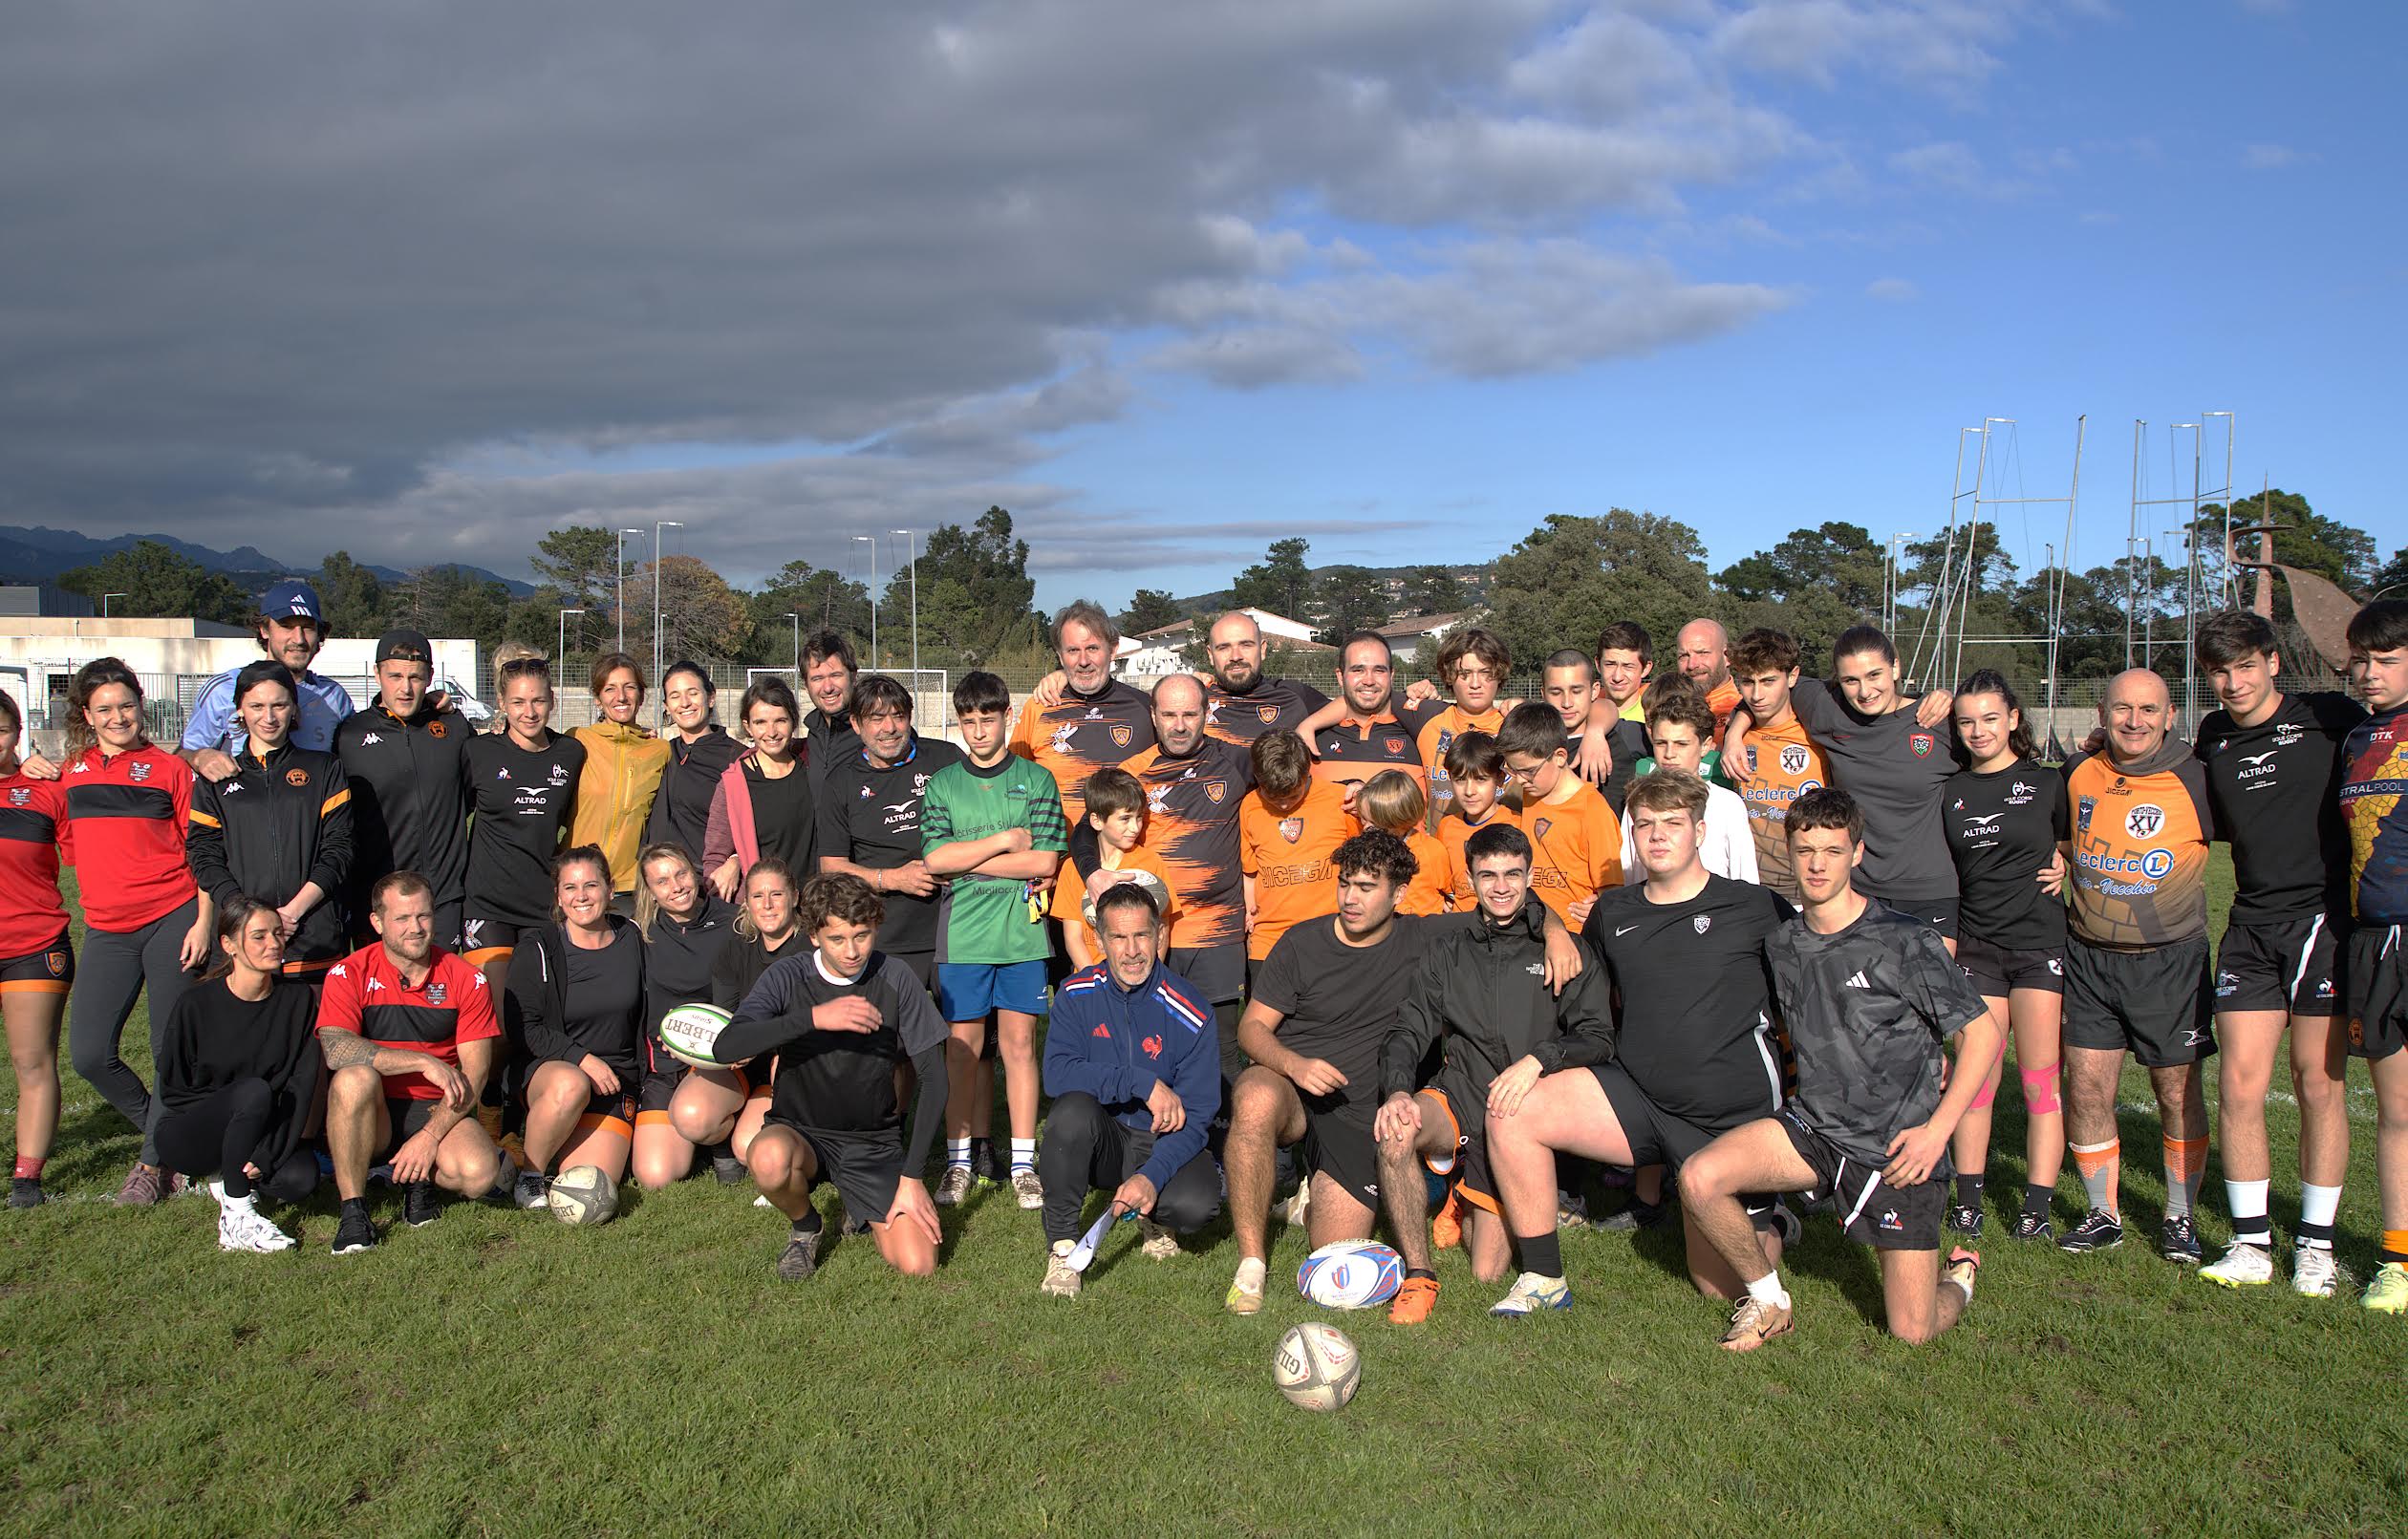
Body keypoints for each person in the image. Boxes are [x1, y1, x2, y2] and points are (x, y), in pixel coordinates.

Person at [1679, 787, 1996, 1350]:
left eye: (1832, 849)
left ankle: (1962, 1276)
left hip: (1898, 1150)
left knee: (1911, 1330)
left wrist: (1935, 1134)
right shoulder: (1781, 943)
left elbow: (1984, 1035)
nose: (1818, 863)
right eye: (1805, 850)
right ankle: (1770, 1302)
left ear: (1858, 853)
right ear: (1790, 851)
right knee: (1700, 1178)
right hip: (1814, 1129)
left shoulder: (1905, 940)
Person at [1222, 829, 1577, 1316]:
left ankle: (1340, 1191)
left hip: (1362, 1113)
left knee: (1337, 1256)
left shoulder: (1423, 936)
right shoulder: (1301, 943)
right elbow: (1252, 1029)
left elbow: (1511, 902)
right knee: (1254, 1095)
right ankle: (1251, 1264)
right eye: (1345, 883)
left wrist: (1555, 931)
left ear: (1399, 894)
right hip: (1296, 1092)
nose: (1350, 897)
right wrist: (1294, 1065)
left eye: (1367, 887)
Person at [1480, 772, 1797, 1313]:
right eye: (1644, 824)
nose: (1657, 835)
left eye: (1672, 823)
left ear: (1699, 831)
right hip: (1640, 1099)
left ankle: (1772, 1214)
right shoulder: (1615, 911)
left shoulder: (1756, 908)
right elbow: (1586, 990)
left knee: (1719, 1286)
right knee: (1512, 1110)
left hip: (1730, 1116)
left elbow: (1816, 991)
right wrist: (1557, 928)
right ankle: (1542, 1278)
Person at [1372, 823, 1615, 1317]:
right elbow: (1408, 1029)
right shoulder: (1447, 949)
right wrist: (1398, 1090)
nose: (1501, 886)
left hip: (1522, 1113)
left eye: (1512, 874)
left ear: (1529, 877)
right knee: (1397, 1133)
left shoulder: (1564, 950)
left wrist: (1539, 1061)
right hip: (1461, 1094)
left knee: (1486, 1269)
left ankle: (1455, 1194)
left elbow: (1597, 1038)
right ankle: (1419, 1275)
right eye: (1488, 875)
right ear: (1471, 878)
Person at [2189, 612, 2365, 1294]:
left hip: (2324, 924)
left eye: (2243, 666)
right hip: (2251, 924)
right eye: (2218, 672)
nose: (2231, 683)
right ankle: (2251, 1242)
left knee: (2318, 1083)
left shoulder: (2330, 715)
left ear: (2270, 662)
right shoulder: (2213, 736)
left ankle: (2316, 1246)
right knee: (2238, 1085)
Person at [713, 873, 950, 1281]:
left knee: (919, 1266)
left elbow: (935, 1079)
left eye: (862, 935)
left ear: (876, 927)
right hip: (798, 1131)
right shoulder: (787, 976)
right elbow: (727, 1046)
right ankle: (806, 1226)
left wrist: (912, 1178)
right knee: (766, 1157)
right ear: (814, 936)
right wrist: (813, 1019)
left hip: (870, 1142)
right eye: (838, 939)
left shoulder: (896, 978)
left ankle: (858, 1202)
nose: (853, 950)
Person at [2057, 668, 2219, 1263]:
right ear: (2102, 714)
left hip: (2170, 962)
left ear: (2170, 716)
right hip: (2089, 957)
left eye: (2148, 710)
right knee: (2089, 1085)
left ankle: (2179, 1216)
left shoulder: (2199, 777)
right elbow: (2063, 840)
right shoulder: (2078, 771)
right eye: (2122, 709)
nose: (2134, 721)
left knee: (2175, 1089)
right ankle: (2104, 1215)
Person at [60, 658, 212, 1207]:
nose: (118, 716)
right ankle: (172, 1133)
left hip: (172, 918)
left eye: (126, 705)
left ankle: (151, 1165)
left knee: (165, 1047)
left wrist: (203, 920)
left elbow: (201, 853)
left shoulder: (169, 769)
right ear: (87, 714)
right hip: (105, 929)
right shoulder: (68, 773)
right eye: (105, 708)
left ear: (140, 707)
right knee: (89, 1054)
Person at [924, 671, 1067, 1208]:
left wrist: (973, 860)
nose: (979, 730)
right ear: (959, 723)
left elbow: (1045, 860)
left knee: (1019, 1048)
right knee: (962, 1051)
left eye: (988, 718)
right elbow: (937, 862)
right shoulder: (942, 785)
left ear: (1007, 716)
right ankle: (958, 1162)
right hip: (961, 936)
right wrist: (1005, 841)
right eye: (969, 721)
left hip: (1023, 936)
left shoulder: (1037, 780)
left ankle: (1024, 1163)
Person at [1037, 885, 1223, 1297]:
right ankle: (1063, 1245)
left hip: (1163, 1140)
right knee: (1069, 1113)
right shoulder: (1074, 994)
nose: (1132, 950)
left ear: (1159, 935)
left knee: (1197, 1207)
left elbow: (1198, 1115)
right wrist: (1140, 1082)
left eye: (1141, 935)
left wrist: (1152, 1176)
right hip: (1102, 1138)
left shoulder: (1191, 1009)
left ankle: (1152, 1213)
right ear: (1100, 939)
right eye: (1118, 937)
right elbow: (1056, 1075)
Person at [1940, 672, 2070, 1243]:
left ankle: (2036, 1205)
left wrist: (2064, 862)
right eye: (1967, 721)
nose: (1978, 730)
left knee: (2041, 1081)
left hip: (2040, 945)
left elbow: (2072, 841)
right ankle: (1968, 1200)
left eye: (1990, 718)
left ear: (2013, 719)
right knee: (1979, 1081)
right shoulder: (1950, 789)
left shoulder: (2048, 783)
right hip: (1977, 947)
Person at [1725, 626, 1958, 940]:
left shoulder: (1936, 720)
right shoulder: (1825, 706)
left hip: (1927, 891)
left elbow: (1999, 750)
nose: (1865, 691)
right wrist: (1733, 734)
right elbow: (1762, 689)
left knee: (1931, 987)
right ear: (1838, 680)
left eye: (1874, 675)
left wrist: (1951, 696)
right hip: (1856, 889)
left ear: (1896, 667)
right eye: (1851, 680)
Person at [316, 870, 507, 1254]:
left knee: (479, 1174)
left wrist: (430, 1136)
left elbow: (476, 1073)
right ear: (377, 922)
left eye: (423, 916)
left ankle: (414, 1180)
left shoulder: (466, 978)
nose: (415, 928)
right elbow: (336, 1050)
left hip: (438, 1106)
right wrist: (420, 1061)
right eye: (402, 918)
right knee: (353, 1080)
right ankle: (354, 1211)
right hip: (375, 1109)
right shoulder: (349, 971)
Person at [1104, 673, 1255, 1079]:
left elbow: (1289, 779)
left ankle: (1222, 1132)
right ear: (1153, 716)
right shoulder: (1131, 772)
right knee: (1153, 1043)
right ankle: (1157, 1134)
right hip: (1151, 932)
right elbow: (1091, 827)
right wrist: (1089, 873)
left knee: (1220, 1046)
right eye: (1169, 714)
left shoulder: (1237, 761)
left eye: (1190, 713)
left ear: (1207, 714)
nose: (1180, 724)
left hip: (1217, 932)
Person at [153, 897, 323, 1253]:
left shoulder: (300, 1000)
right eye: (259, 936)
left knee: (300, 1181)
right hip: (193, 1133)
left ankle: (231, 1173)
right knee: (253, 1092)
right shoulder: (195, 1004)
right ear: (229, 945)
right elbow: (173, 1090)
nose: (274, 944)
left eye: (278, 933)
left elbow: (300, 1085)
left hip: (260, 1127)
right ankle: (236, 1215)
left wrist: (264, 1153)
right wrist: (233, 1122)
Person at [185, 660, 355, 978]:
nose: (269, 716)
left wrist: (292, 912)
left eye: (279, 705)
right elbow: (204, 856)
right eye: (257, 706)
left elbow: (340, 848)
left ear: (294, 709)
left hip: (312, 939)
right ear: (239, 710)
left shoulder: (325, 769)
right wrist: (247, 916)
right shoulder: (215, 778)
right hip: (243, 937)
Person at [505, 846, 645, 1209]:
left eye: (591, 885)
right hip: (555, 1072)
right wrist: (581, 1058)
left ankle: (552, 1143)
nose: (580, 896)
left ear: (611, 890)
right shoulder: (538, 947)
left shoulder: (632, 937)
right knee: (571, 1084)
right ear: (558, 896)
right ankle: (530, 1175)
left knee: (587, 1181)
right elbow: (523, 1028)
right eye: (569, 888)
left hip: (617, 1079)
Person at [2338, 598, 2408, 1312]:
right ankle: (2398, 1257)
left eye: (2385, 659)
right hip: (2376, 942)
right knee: (2397, 1111)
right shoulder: (2356, 737)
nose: (2369, 673)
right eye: (2362, 659)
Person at [815, 673, 963, 985]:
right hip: (887, 936)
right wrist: (894, 879)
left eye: (898, 716)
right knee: (893, 1032)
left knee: (964, 1031)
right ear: (856, 725)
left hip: (957, 925)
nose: (889, 728)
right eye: (877, 718)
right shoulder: (840, 782)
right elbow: (832, 867)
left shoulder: (946, 760)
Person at [337, 630, 473, 949]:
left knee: (441, 993)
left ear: (429, 678)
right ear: (376, 674)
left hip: (444, 897)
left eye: (415, 677)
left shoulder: (454, 729)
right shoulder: (350, 736)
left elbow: (475, 793)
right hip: (380, 900)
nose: (405, 688)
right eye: (395, 676)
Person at [462, 656, 586, 994]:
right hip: (487, 905)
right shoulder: (477, 752)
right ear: (502, 703)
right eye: (517, 702)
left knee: (537, 1010)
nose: (529, 712)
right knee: (498, 1015)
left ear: (552, 701)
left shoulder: (571, 753)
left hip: (542, 905)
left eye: (538, 701)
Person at [674, 860, 806, 1168]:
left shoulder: (812, 949)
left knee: (750, 1148)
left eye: (777, 894)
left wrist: (755, 1043)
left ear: (795, 897)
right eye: (758, 896)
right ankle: (722, 1139)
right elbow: (724, 1015)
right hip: (741, 1061)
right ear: (746, 902)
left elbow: (807, 1024)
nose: (768, 905)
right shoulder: (735, 948)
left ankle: (774, 1131)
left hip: (787, 1061)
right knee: (691, 1116)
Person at [0, 689, 73, 1208]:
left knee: (32, 1062)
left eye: (1, 729)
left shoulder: (44, 789)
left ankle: (27, 1181)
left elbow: (88, 855)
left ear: (18, 731)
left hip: (33, 942)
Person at [629, 844, 737, 1190]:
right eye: (662, 881)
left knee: (694, 1118)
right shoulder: (642, 932)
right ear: (650, 891)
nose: (675, 886)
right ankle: (696, 1131)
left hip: (716, 1060)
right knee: (654, 1176)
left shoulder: (732, 922)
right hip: (664, 1063)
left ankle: (721, 1139)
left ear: (695, 873)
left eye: (681, 874)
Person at [179, 580, 355, 772]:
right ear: (264, 630)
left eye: (307, 627)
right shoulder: (224, 689)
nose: (299, 639)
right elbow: (182, 755)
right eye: (286, 626)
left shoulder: (334, 696)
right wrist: (198, 757)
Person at [1009, 601, 1156, 825]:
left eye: (1092, 648)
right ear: (1060, 656)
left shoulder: (1145, 708)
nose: (1083, 661)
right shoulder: (1040, 706)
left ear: (1113, 650)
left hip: (1127, 857)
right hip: (1057, 855)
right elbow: (1013, 784)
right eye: (1073, 650)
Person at [1238, 731, 1357, 979]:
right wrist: (1249, 910)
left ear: (1307, 775)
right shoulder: (1250, 805)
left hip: (1330, 936)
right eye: (1273, 797)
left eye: (1292, 796)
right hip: (1269, 942)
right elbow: (1250, 872)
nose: (1283, 805)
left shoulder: (1340, 800)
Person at [1495, 701, 1623, 928]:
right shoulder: (1529, 793)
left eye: (1528, 770)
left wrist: (1601, 909)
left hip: (1575, 936)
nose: (1520, 780)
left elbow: (1611, 889)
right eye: (1513, 770)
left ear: (1560, 757)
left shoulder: (1593, 810)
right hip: (1529, 932)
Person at [1727, 629, 1828, 903]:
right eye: (1748, 682)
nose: (1757, 694)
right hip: (1751, 886)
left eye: (1769, 681)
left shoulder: (1817, 732)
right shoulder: (1737, 737)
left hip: (1811, 886)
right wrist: (1733, 734)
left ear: (1792, 676)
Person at [1617, 687, 1754, 885]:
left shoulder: (1728, 805)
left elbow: (1746, 879)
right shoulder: (1637, 802)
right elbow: (1628, 872)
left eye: (1681, 744)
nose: (1669, 753)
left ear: (1705, 746)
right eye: (1661, 743)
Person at [1046, 766, 1177, 972]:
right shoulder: (1072, 870)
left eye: (1139, 817)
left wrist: (1148, 977)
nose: (1135, 827)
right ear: (1096, 821)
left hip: (1141, 979)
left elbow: (1161, 929)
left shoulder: (1152, 863)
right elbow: (1073, 937)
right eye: (1125, 819)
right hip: (1092, 983)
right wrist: (1094, 983)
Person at [569, 652, 671, 907]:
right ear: (597, 698)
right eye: (610, 689)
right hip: (575, 880)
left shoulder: (660, 751)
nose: (621, 697)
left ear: (642, 695)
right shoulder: (576, 741)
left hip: (628, 888)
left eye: (629, 687)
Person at [704, 676, 815, 902]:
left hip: (814, 903)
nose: (771, 732)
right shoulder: (734, 784)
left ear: (794, 721)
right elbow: (715, 858)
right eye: (761, 722)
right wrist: (734, 861)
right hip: (766, 911)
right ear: (748, 726)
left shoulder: (812, 767)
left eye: (780, 721)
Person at [1308, 632, 1428, 802]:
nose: (1369, 680)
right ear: (1340, 676)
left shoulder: (1420, 730)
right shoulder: (1311, 737)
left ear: (1391, 676)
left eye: (1379, 670)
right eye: (1358, 670)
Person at [645, 660, 742, 861]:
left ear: (711, 697)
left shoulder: (736, 757)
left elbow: (752, 826)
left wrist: (734, 860)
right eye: (675, 696)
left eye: (693, 693)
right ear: (667, 706)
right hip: (656, 881)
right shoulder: (660, 751)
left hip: (706, 881)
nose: (685, 703)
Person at [1199, 611, 1331, 746]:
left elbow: (1347, 705)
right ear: (1210, 654)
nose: (1236, 656)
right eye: (1224, 648)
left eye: (1246, 645)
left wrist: (1310, 724)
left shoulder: (1292, 694)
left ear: (1262, 650)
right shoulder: (1197, 699)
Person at [1354, 771, 1450, 916]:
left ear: (1401, 821)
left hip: (1421, 932)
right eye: (1363, 819)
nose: (1366, 828)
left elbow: (1452, 893)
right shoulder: (1363, 849)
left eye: (1375, 823)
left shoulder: (1431, 851)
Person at [1436, 730, 1512, 909]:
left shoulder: (1516, 824)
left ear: (1499, 779)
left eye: (1480, 779)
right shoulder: (1446, 827)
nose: (1469, 791)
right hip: (1460, 927)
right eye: (1460, 780)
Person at [1594, 621, 1655, 814]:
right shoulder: (1580, 711)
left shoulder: (1654, 717)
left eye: (1628, 666)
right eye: (1610, 664)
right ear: (1597, 664)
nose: (1617, 676)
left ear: (1646, 669)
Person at [799, 631, 864, 786]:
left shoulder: (874, 732)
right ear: (806, 685)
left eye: (835, 675)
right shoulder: (812, 737)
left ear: (853, 677)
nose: (828, 688)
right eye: (817, 678)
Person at [1676, 618, 1741, 732]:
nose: (1691, 665)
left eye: (1702, 653)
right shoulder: (1663, 705)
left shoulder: (1745, 713)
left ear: (1727, 656)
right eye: (1684, 656)